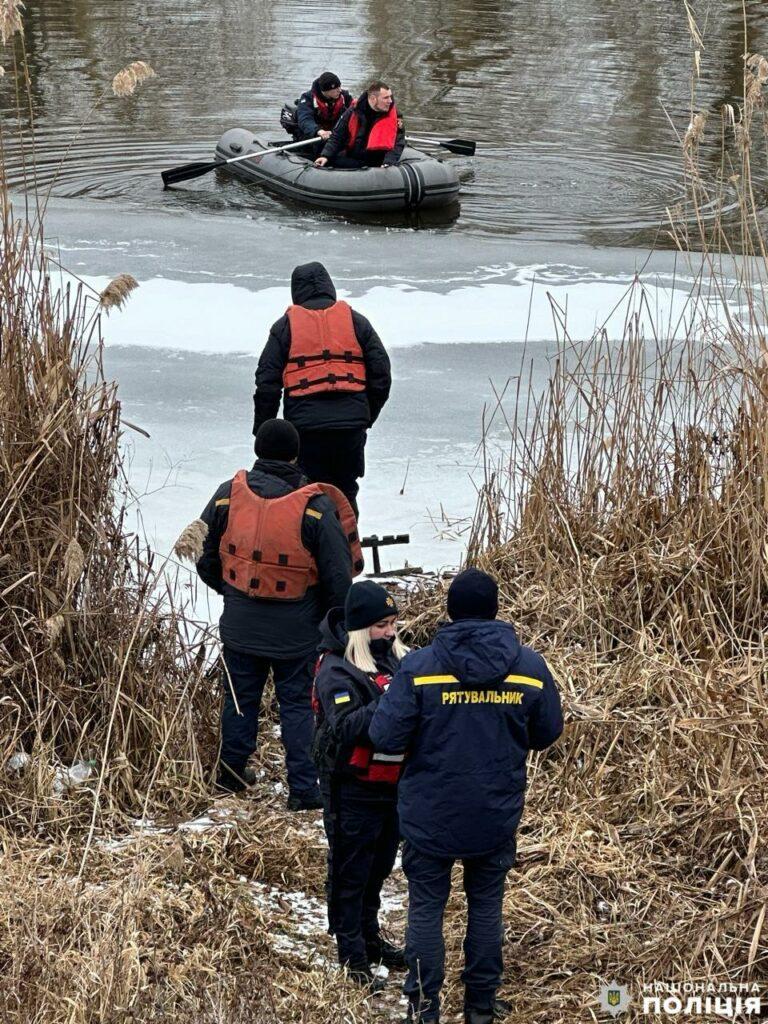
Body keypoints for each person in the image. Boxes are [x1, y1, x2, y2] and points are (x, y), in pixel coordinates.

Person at [369, 569, 564, 1024]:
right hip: (494, 812)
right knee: (486, 907)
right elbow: (547, 732)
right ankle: (480, 1006)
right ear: (496, 610)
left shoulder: (418, 667)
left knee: (426, 910)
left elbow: (385, 735)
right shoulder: (530, 667)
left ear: (449, 612)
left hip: (429, 812)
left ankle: (423, 1010)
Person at [196, 418, 363, 807]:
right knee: (297, 707)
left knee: (239, 700)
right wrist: (330, 623)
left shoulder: (228, 495)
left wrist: (233, 595)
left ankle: (232, 774)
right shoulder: (316, 507)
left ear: (258, 452)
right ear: (295, 455)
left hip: (239, 628)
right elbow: (340, 580)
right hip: (296, 633)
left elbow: (204, 557)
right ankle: (303, 790)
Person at [312, 581, 409, 991]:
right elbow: (346, 726)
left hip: (392, 788)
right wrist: (395, 701)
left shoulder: (396, 661)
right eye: (381, 626)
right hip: (352, 790)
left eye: (392, 624)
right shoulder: (335, 670)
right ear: (359, 629)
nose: (389, 633)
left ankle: (370, 937)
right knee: (351, 872)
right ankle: (351, 954)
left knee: (380, 867)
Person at [252, 261, 391, 518]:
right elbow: (381, 373)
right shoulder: (357, 323)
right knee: (345, 494)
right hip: (350, 431)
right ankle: (348, 553)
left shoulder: (285, 327)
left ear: (296, 292)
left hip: (305, 431)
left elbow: (267, 383)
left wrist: (264, 431)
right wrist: (364, 415)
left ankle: (313, 553)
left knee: (307, 495)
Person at [315, 80, 405, 169]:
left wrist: (389, 162)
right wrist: (325, 155)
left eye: (390, 97)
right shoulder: (353, 111)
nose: (390, 101)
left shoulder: (395, 117)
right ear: (373, 99)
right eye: (386, 98)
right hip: (355, 158)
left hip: (378, 162)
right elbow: (337, 136)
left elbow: (398, 143)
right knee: (328, 161)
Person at [295, 72, 353, 157]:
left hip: (335, 134)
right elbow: (305, 120)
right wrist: (319, 131)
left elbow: (356, 111)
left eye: (339, 86)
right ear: (325, 91)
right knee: (320, 144)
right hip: (316, 135)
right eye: (335, 88)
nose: (339, 90)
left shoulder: (345, 96)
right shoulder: (307, 98)